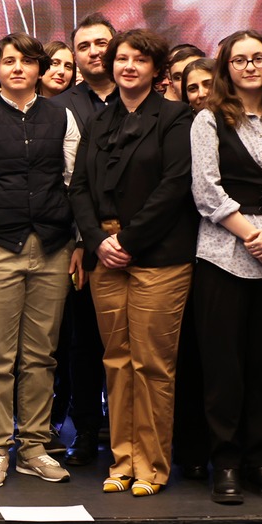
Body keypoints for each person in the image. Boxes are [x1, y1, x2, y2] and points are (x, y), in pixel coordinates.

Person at [70, 27, 197, 498]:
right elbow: (78, 187)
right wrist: (97, 240)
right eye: (122, 58)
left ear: (156, 70)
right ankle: (122, 460)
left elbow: (175, 186)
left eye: (139, 60)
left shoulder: (176, 117)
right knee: (116, 361)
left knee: (152, 365)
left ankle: (152, 465)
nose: (128, 66)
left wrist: (127, 240)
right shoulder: (98, 120)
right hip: (105, 256)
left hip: (158, 256)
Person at [190, 30, 262, 505]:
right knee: (224, 366)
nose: (249, 66)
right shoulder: (208, 120)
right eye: (239, 60)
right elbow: (206, 190)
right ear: (226, 68)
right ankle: (225, 463)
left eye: (257, 58)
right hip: (223, 256)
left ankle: (261, 460)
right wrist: (252, 237)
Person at [0, 34, 81, 488]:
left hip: (52, 247)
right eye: (8, 61)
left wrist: (77, 242)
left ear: (38, 69)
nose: (17, 68)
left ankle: (34, 446)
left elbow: (74, 182)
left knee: (41, 355)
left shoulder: (62, 116)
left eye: (27, 61)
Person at [52, 13, 116, 464]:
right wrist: (82, 240)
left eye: (102, 43)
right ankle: (87, 431)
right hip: (80, 244)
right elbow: (65, 182)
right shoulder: (61, 107)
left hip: (139, 241)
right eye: (85, 46)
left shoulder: (142, 99)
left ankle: (130, 432)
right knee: (83, 344)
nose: (94, 51)